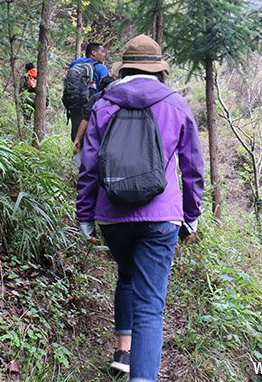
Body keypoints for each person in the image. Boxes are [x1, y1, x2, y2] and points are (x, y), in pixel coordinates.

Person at [76, 34, 204, 380]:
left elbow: (88, 165)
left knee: (127, 274)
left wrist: (85, 216)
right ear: (159, 70)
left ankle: (122, 350)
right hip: (162, 217)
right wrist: (190, 218)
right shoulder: (176, 105)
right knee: (150, 308)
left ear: (124, 68)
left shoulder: (104, 104)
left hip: (112, 216)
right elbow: (192, 167)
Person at [66, 43, 109, 142]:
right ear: (93, 53)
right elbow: (107, 89)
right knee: (92, 139)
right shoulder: (101, 68)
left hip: (75, 105)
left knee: (76, 137)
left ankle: (76, 156)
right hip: (93, 108)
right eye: (102, 52)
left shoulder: (74, 64)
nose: (104, 54)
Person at [72, 74, 115, 154]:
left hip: (95, 137)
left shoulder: (95, 98)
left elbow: (86, 119)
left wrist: (77, 138)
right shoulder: (118, 98)